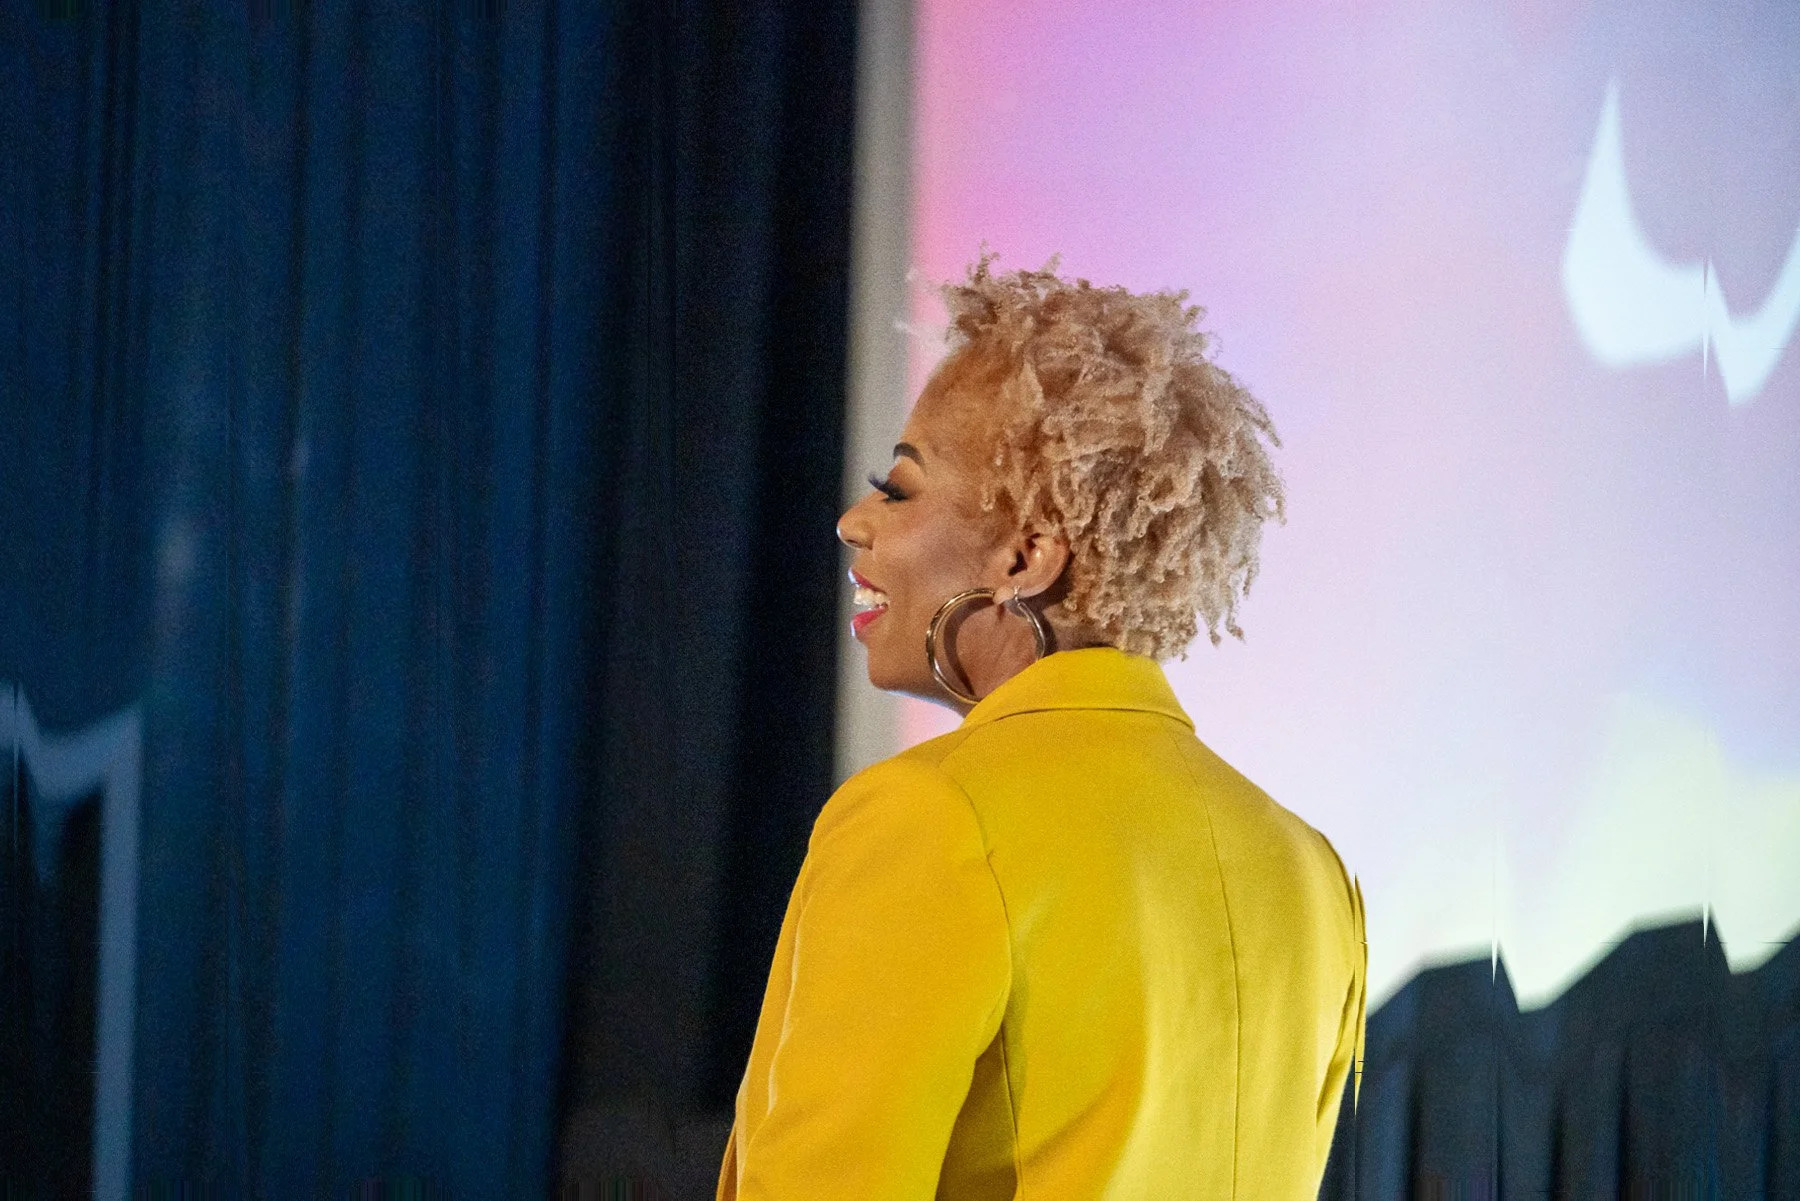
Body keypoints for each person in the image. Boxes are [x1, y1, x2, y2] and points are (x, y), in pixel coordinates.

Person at [715, 255, 1366, 1200]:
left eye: (898, 489)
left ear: (1027, 553)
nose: (856, 523)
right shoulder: (1313, 873)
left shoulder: (925, 820)